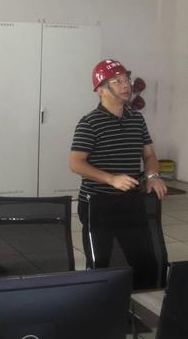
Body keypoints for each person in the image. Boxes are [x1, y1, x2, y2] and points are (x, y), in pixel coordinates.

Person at [69, 58, 167, 269]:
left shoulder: (137, 119)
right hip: (97, 203)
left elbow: (149, 155)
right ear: (100, 90)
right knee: (100, 264)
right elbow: (76, 163)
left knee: (145, 261)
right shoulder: (89, 123)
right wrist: (111, 179)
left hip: (131, 200)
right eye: (116, 81)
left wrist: (152, 176)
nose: (125, 85)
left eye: (126, 79)